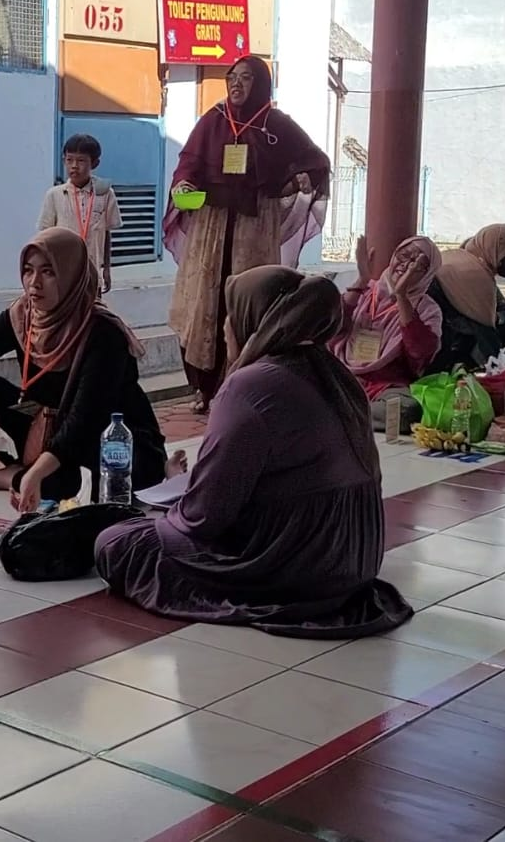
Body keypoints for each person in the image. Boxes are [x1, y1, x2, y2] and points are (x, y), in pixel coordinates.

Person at [96, 266, 413, 636]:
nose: (226, 327)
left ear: (254, 319)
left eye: (232, 314)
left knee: (118, 541)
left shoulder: (251, 385)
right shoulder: (336, 372)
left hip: (294, 563)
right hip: (355, 560)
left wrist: (171, 508)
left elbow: (205, 517)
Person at [0, 228, 168, 512]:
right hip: (44, 425)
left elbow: (84, 421)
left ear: (71, 275)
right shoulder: (24, 315)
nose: (34, 283)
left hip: (106, 438)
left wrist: (35, 474)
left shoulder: (102, 332)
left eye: (48, 272)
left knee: (94, 479)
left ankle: (10, 476)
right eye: (28, 270)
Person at [165, 55, 331, 412]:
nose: (237, 85)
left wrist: (292, 181)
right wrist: (182, 185)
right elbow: (188, 163)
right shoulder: (213, 119)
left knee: (249, 301)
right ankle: (203, 389)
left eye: (246, 79)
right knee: (203, 303)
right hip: (212, 222)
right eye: (232, 78)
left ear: (261, 85)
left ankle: (241, 383)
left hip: (254, 226)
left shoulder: (276, 122)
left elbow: (316, 161)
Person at [331, 235, 443, 433]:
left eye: (418, 264)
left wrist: (401, 296)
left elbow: (420, 354)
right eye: (404, 256)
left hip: (384, 388)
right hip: (341, 378)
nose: (407, 265)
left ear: (428, 273)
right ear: (393, 256)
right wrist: (362, 279)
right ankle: (344, 414)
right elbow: (331, 327)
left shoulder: (427, 308)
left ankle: (335, 415)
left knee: (405, 410)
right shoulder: (364, 290)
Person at [428, 222, 505, 371]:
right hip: (445, 344)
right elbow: (481, 323)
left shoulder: (477, 267)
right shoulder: (472, 274)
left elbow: (504, 307)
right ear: (494, 249)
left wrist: (499, 317)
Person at [37, 133, 123, 291]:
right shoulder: (54, 195)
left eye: (81, 161)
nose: (74, 166)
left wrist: (107, 270)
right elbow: (44, 238)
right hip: (62, 276)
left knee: (91, 313)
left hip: (92, 275)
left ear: (95, 163)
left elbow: (107, 233)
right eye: (69, 160)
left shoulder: (104, 194)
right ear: (64, 161)